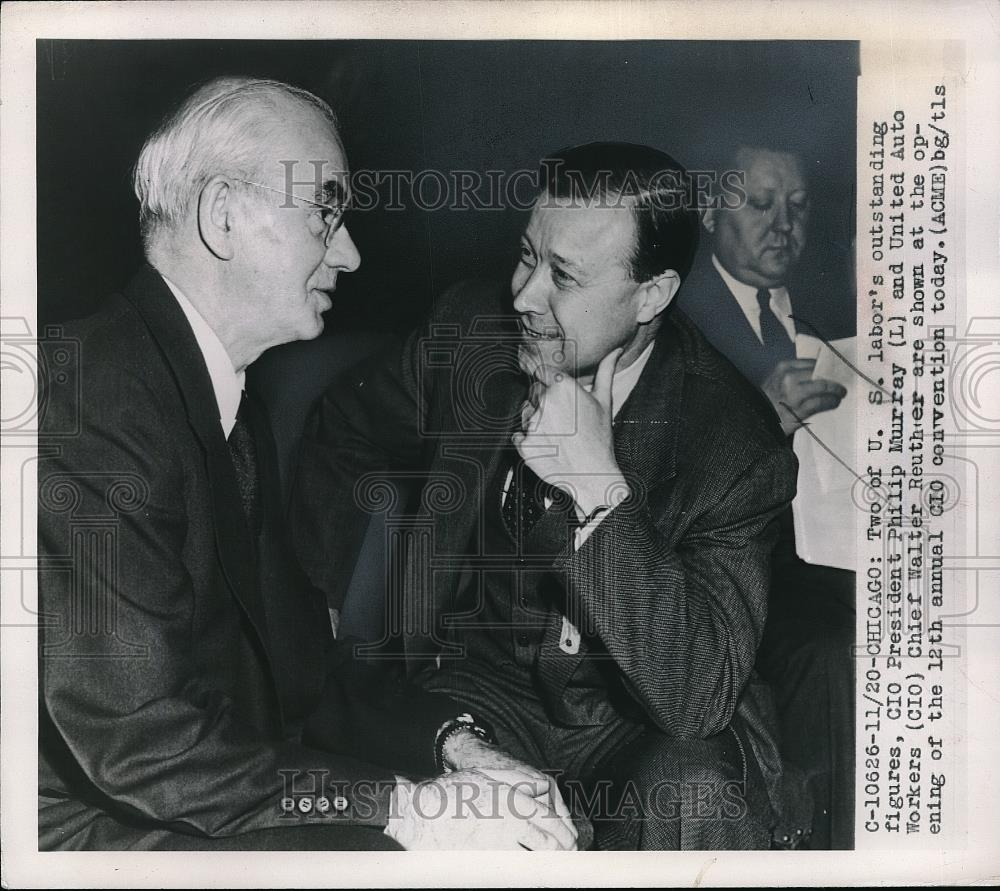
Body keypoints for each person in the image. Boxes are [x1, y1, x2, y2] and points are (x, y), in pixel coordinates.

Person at [36, 76, 578, 852]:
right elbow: (139, 741)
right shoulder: (90, 404)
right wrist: (414, 808)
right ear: (223, 214)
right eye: (326, 210)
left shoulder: (218, 394)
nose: (350, 252)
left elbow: (304, 674)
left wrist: (456, 747)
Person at [292, 142, 803, 850]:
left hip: (632, 722)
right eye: (527, 256)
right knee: (392, 782)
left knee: (693, 786)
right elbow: (342, 426)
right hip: (476, 685)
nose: (524, 295)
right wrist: (359, 596)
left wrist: (599, 488)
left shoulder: (733, 445)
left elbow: (695, 695)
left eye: (562, 275)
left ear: (651, 295)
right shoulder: (472, 333)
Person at [676, 143, 856, 848]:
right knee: (828, 646)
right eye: (760, 203)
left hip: (833, 552)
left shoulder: (830, 318)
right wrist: (760, 420)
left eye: (799, 204)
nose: (784, 223)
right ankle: (828, 851)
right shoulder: (670, 316)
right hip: (728, 574)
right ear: (712, 211)